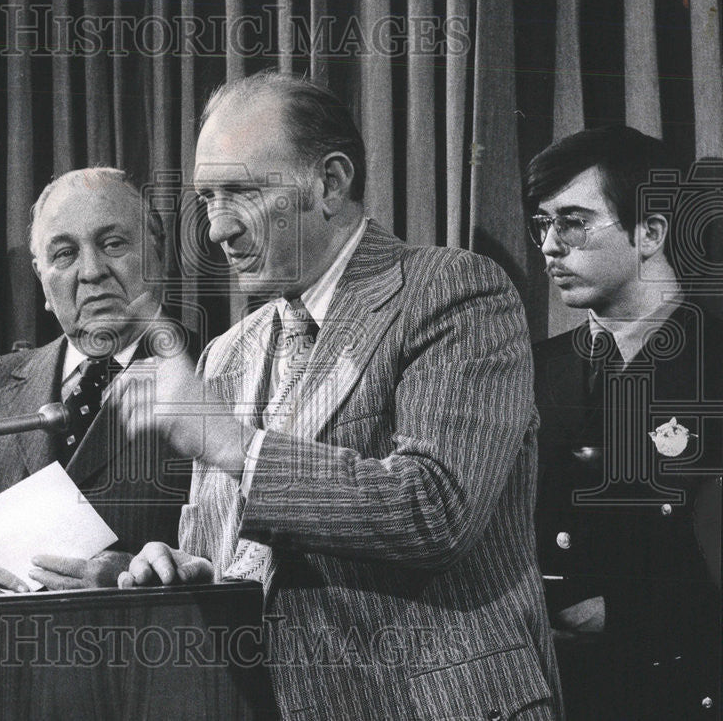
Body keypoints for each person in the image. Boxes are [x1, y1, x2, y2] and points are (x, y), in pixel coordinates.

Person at [117, 72, 562, 720]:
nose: (216, 230)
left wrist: (233, 446)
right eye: (207, 197)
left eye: (239, 191)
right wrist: (189, 577)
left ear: (329, 182)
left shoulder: (454, 292)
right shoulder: (226, 355)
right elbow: (245, 564)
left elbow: (435, 508)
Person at [0, 168, 198, 592]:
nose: (91, 271)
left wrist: (137, 580)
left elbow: (242, 558)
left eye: (113, 244)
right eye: (64, 254)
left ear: (158, 254)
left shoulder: (216, 373)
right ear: (41, 279)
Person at [527, 127, 721, 719]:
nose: (549, 247)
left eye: (574, 222)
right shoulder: (534, 371)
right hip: (556, 693)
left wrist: (628, 609)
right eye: (543, 224)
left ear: (650, 233)